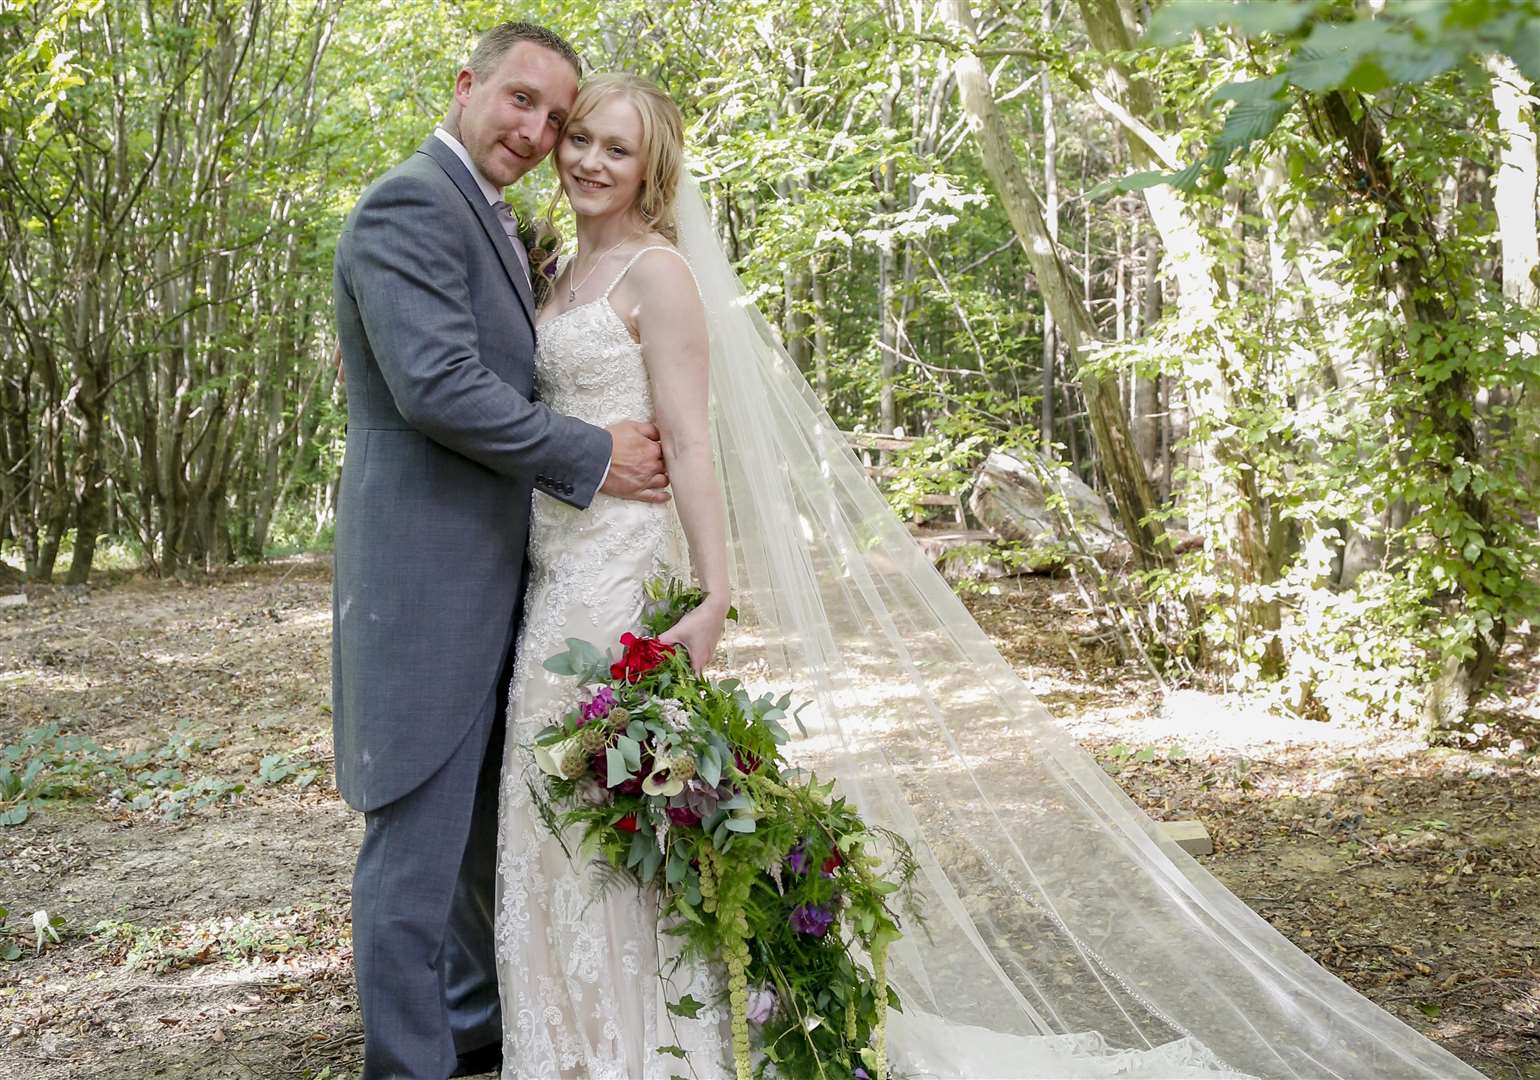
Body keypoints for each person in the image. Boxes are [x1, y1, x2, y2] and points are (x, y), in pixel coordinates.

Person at [491, 69, 1489, 1080]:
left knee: (615, 809)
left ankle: (647, 1050)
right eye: (579, 140)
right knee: (560, 810)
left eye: (616, 148)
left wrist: (714, 592)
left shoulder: (658, 278)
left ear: (651, 167)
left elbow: (694, 447)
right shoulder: (558, 271)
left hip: (618, 575)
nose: (586, 161)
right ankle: (578, 1037)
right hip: (553, 570)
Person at [330, 24, 672, 1080]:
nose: (537, 134)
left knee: (494, 827)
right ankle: (409, 1063)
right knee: (417, 843)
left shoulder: (499, 221)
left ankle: (476, 1027)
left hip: (514, 573)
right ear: (466, 84)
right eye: (519, 102)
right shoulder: (408, 204)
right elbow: (435, 387)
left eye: (556, 120)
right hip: (426, 581)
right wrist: (591, 455)